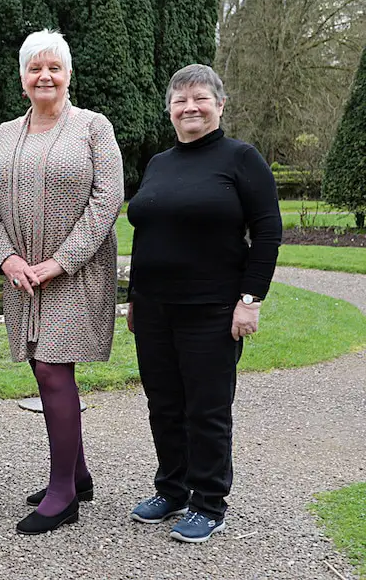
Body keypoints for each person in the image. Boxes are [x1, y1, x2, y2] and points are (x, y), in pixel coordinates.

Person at [126, 64, 282, 543]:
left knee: (206, 409)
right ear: (169, 109)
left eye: (200, 98)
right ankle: (171, 488)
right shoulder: (159, 163)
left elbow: (268, 233)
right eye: (180, 100)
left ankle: (209, 502)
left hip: (211, 310)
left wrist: (250, 300)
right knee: (164, 405)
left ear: (220, 104)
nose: (190, 107)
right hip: (154, 309)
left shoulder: (241, 159)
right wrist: (134, 299)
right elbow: (149, 232)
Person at [0, 30, 124, 535]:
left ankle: (62, 492)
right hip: (23, 277)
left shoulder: (93, 127)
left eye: (54, 68)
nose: (44, 76)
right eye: (34, 68)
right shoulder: (4, 133)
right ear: (22, 80)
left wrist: (60, 262)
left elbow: (107, 201)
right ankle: (77, 474)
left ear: (68, 76)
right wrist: (7, 259)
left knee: (51, 370)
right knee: (45, 368)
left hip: (74, 273)